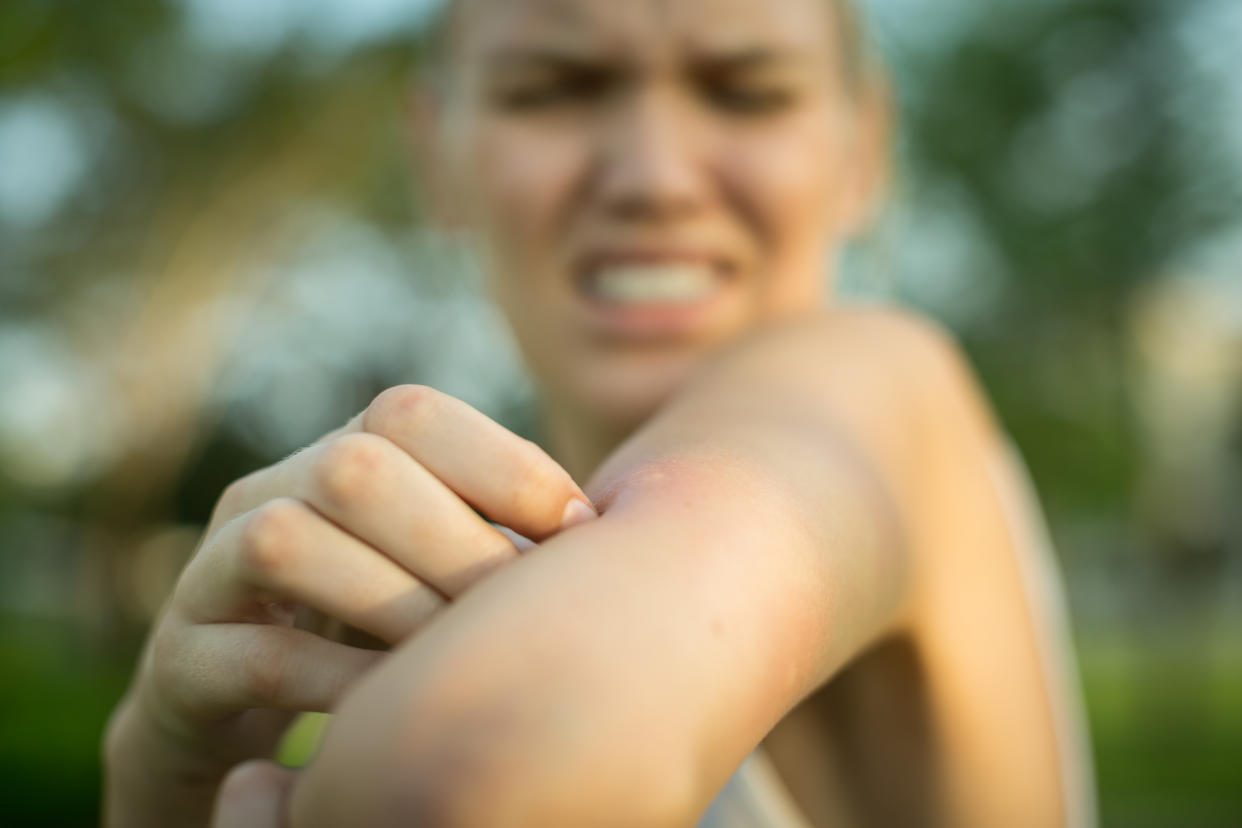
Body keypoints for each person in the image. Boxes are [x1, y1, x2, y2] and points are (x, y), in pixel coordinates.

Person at [102, 0, 1096, 825]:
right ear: (437, 157)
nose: (655, 177)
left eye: (747, 90)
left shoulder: (888, 388)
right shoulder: (438, 561)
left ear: (862, 150)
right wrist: (166, 778)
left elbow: (473, 771)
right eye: (554, 89)